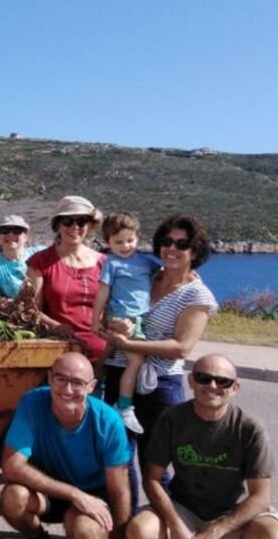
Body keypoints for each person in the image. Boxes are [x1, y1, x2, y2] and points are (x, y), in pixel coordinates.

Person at [126, 355, 278, 539]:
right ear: (191, 381)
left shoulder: (249, 429)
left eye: (222, 381)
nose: (212, 385)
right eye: (204, 377)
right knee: (138, 534)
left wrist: (213, 533)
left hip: (232, 513)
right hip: (186, 508)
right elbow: (152, 479)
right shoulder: (173, 418)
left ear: (234, 388)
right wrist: (177, 526)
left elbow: (260, 497)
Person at [0, 352, 132, 539]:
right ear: (49, 378)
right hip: (50, 492)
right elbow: (11, 466)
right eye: (60, 379)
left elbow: (120, 494)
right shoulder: (32, 403)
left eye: (78, 383)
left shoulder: (108, 422)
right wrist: (74, 494)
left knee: (88, 536)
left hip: (93, 497)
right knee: (13, 497)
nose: (67, 389)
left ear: (92, 387)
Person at [99, 214, 218, 458]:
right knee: (116, 455)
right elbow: (111, 305)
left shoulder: (197, 295)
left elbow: (182, 347)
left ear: (194, 252)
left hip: (160, 383)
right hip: (117, 373)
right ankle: (124, 499)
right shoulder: (145, 273)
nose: (172, 248)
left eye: (182, 244)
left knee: (155, 460)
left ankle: (158, 498)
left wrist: (129, 343)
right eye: (166, 241)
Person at [90, 212, 158, 435]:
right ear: (108, 242)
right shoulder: (112, 263)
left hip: (139, 318)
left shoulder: (146, 262)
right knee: (135, 360)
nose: (125, 246)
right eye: (118, 242)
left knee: (110, 350)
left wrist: (190, 275)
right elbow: (102, 292)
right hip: (120, 316)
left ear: (138, 238)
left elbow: (167, 276)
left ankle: (96, 378)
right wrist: (95, 319)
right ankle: (124, 405)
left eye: (130, 240)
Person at [26, 195, 108, 362]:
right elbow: (30, 308)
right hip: (60, 355)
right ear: (57, 225)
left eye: (82, 221)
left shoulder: (105, 263)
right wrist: (56, 326)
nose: (75, 227)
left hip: (105, 356)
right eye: (68, 221)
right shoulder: (40, 262)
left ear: (91, 225)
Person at [0, 214, 39, 299]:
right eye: (5, 230)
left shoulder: (39, 253)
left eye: (17, 230)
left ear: (26, 237)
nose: (10, 234)